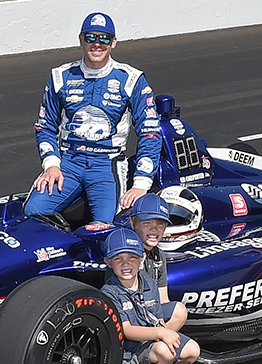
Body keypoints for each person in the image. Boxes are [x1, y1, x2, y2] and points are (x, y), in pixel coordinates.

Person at [25, 12, 161, 223]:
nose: (97, 44)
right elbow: (45, 126)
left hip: (108, 165)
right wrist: (51, 164)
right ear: (81, 39)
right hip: (68, 162)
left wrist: (141, 184)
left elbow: (150, 132)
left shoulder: (131, 79)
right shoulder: (60, 76)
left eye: (104, 38)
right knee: (32, 213)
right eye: (90, 37)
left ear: (114, 42)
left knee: (107, 227)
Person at [100, 228, 201, 364]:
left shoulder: (149, 284)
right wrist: (162, 334)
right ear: (108, 262)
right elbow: (126, 329)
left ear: (142, 259)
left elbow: (158, 320)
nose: (126, 264)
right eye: (118, 259)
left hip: (145, 347)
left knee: (177, 350)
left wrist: (163, 335)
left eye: (132, 257)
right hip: (125, 354)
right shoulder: (109, 292)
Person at [129, 192, 189, 364]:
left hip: (151, 320)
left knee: (192, 352)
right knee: (179, 312)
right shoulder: (127, 254)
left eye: (160, 224)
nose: (155, 229)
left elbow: (163, 299)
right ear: (133, 223)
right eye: (148, 223)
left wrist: (161, 328)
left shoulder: (159, 255)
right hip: (132, 322)